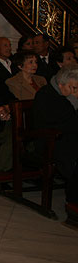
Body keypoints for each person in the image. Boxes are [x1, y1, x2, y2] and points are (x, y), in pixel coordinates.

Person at [32, 64, 78, 205]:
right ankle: (73, 202)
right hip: (51, 141)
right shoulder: (46, 95)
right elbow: (59, 123)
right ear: (61, 84)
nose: (76, 92)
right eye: (74, 88)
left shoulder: (67, 95)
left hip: (68, 138)